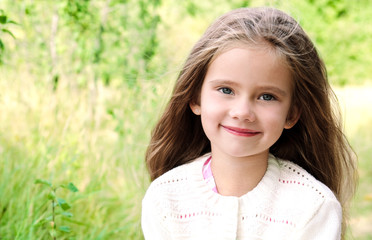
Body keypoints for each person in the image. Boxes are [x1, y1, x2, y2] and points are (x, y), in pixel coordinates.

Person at [142, 7, 357, 240]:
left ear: (291, 114)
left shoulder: (313, 206)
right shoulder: (165, 197)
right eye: (226, 90)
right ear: (195, 98)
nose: (243, 112)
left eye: (267, 96)